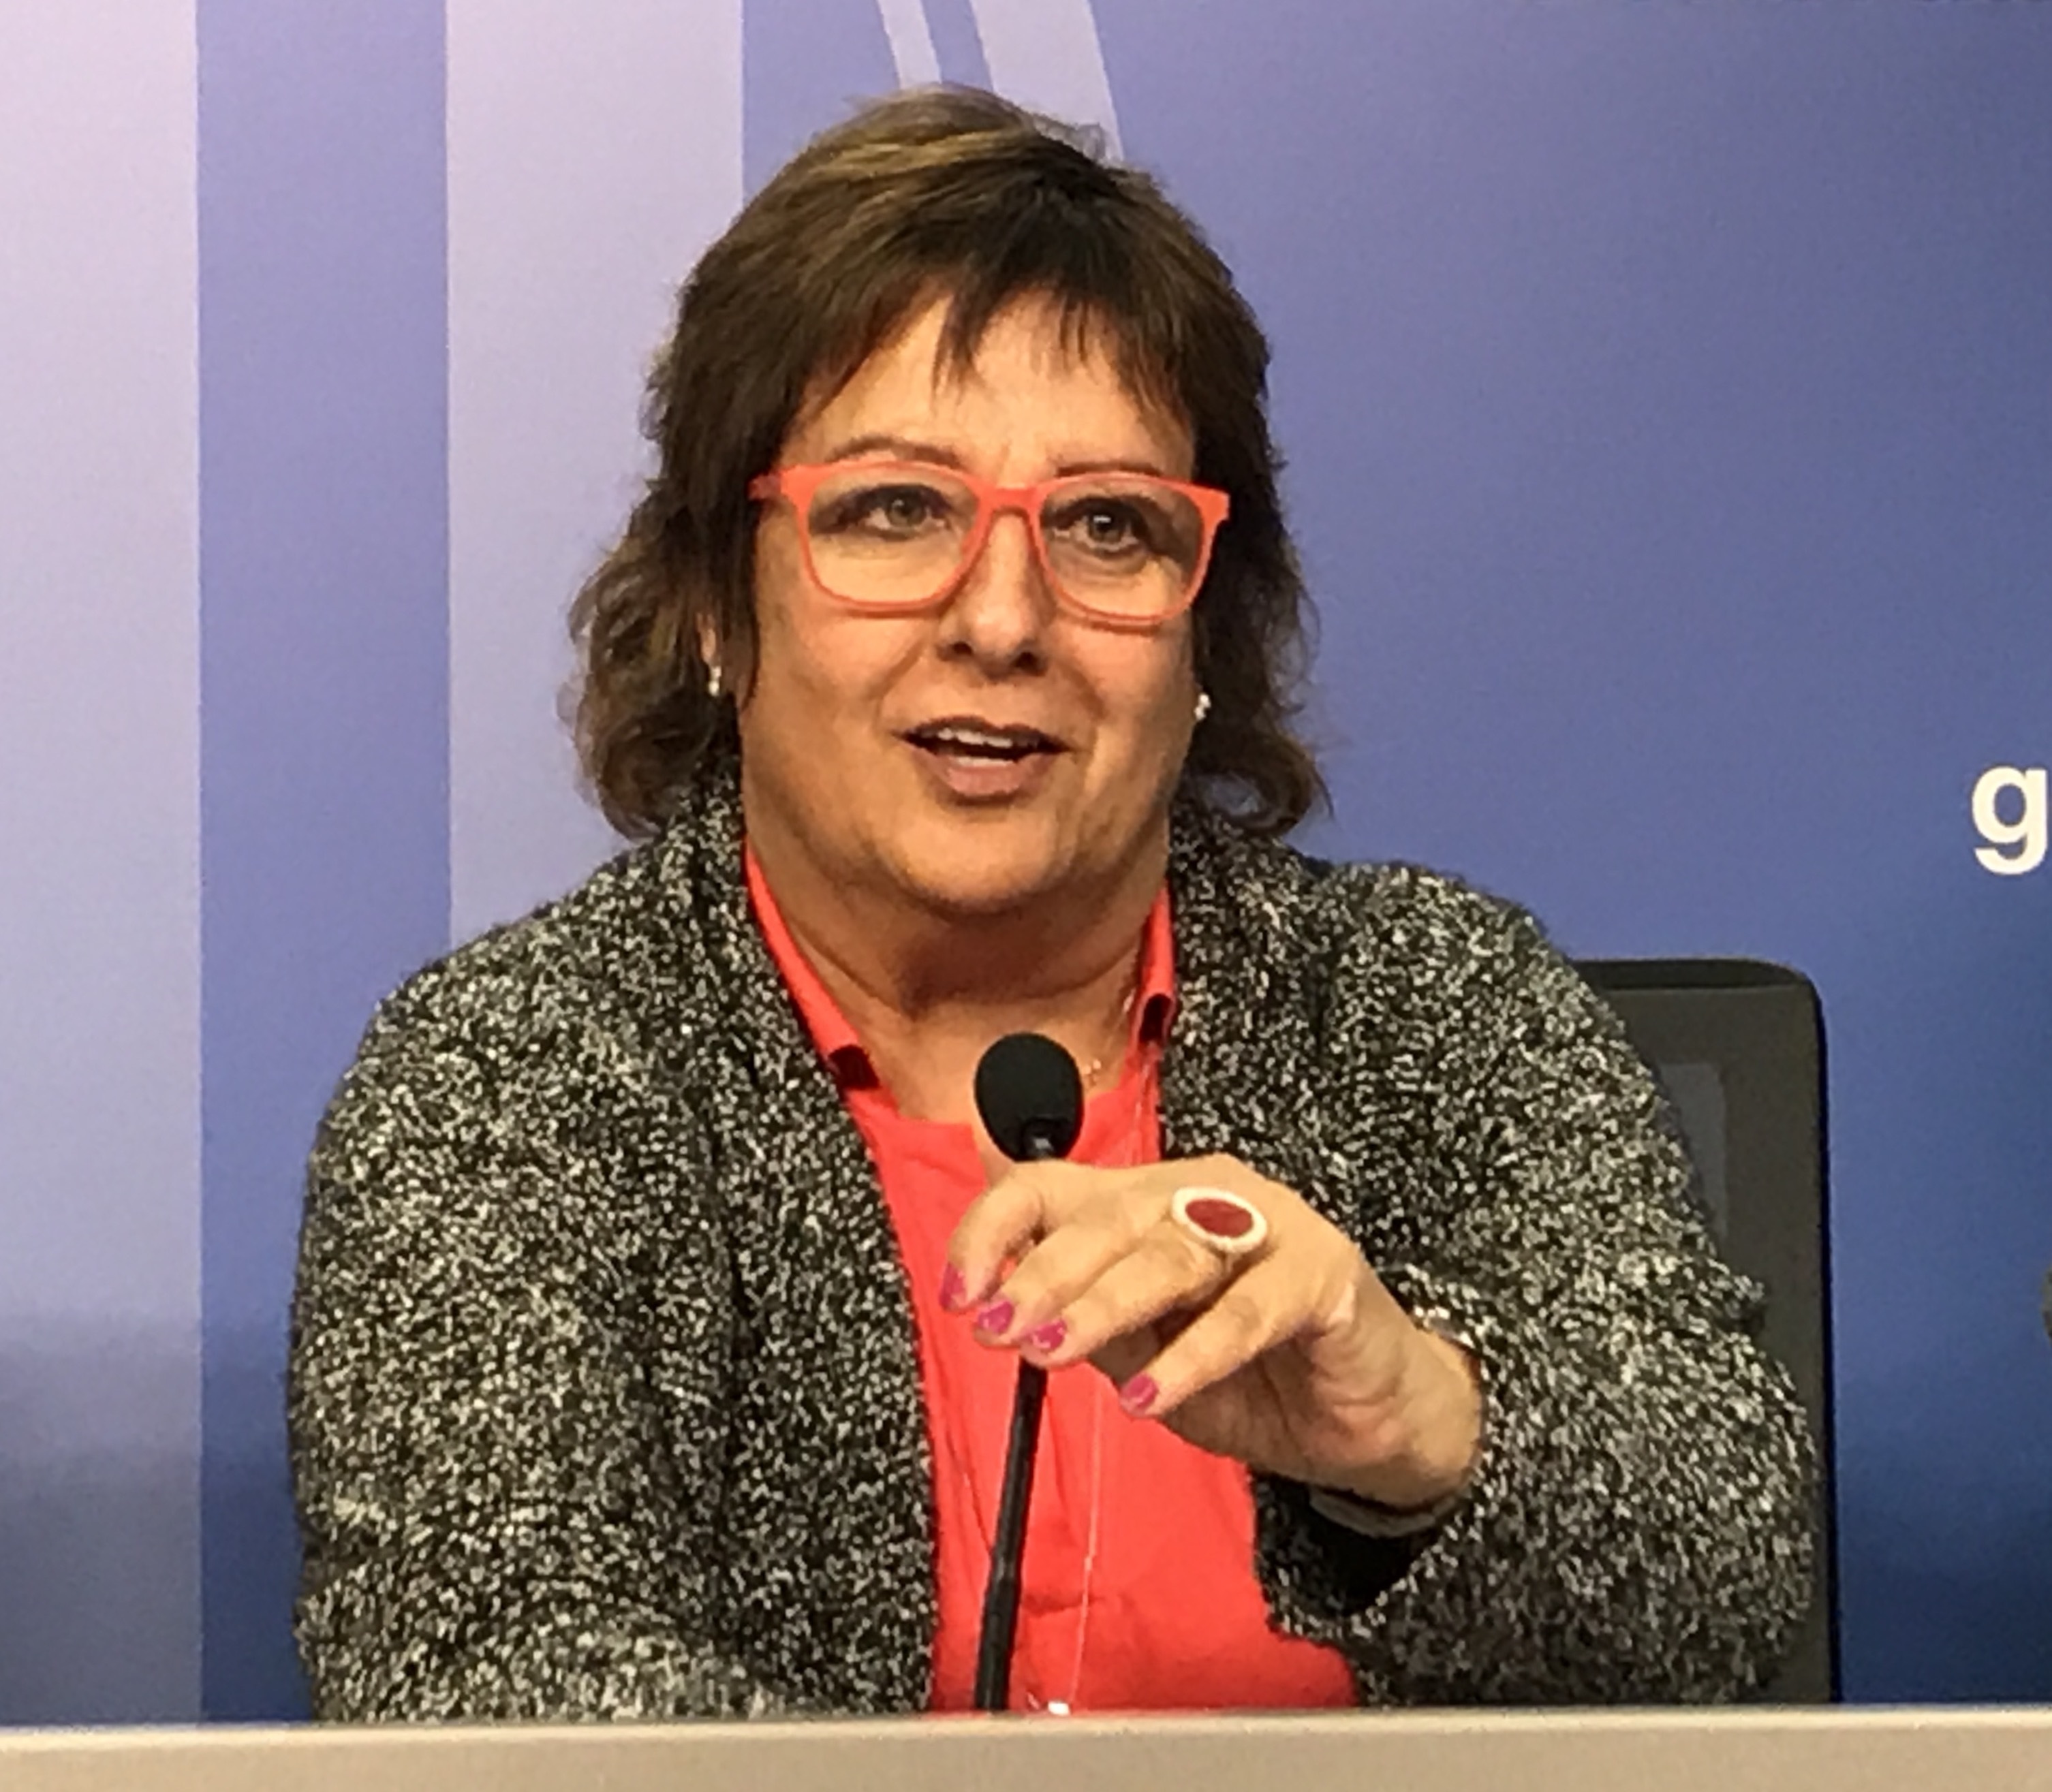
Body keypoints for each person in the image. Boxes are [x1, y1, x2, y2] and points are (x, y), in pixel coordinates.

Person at [288, 86, 1815, 1720]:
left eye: (1105, 525)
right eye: (894, 509)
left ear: (1205, 629)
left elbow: (1721, 1569)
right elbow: (489, 1667)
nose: (1005, 618)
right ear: (714, 604)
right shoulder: (517, 1071)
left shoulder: (1432, 1000)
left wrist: (1417, 1419)